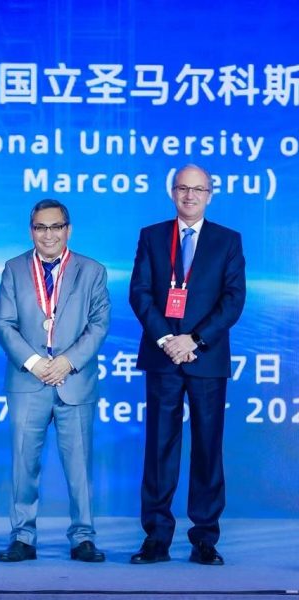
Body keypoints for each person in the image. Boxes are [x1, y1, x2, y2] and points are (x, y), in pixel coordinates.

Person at [128, 164, 246, 566]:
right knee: (159, 448)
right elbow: (140, 293)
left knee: (208, 449)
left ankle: (205, 539)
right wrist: (167, 340)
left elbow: (233, 299)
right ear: (172, 192)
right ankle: (156, 538)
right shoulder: (152, 236)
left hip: (206, 358)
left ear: (210, 194)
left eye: (198, 189)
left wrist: (193, 340)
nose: (190, 195)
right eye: (183, 188)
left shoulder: (228, 240)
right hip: (163, 357)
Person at [0, 199, 111, 562]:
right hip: (28, 381)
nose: (49, 235)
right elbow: (4, 324)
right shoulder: (14, 269)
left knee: (79, 467)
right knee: (23, 465)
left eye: (56, 227)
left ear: (68, 230)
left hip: (74, 381)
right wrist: (34, 363)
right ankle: (22, 537)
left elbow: (99, 325)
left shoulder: (92, 270)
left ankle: (83, 537)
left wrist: (66, 362)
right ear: (31, 231)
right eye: (41, 227)